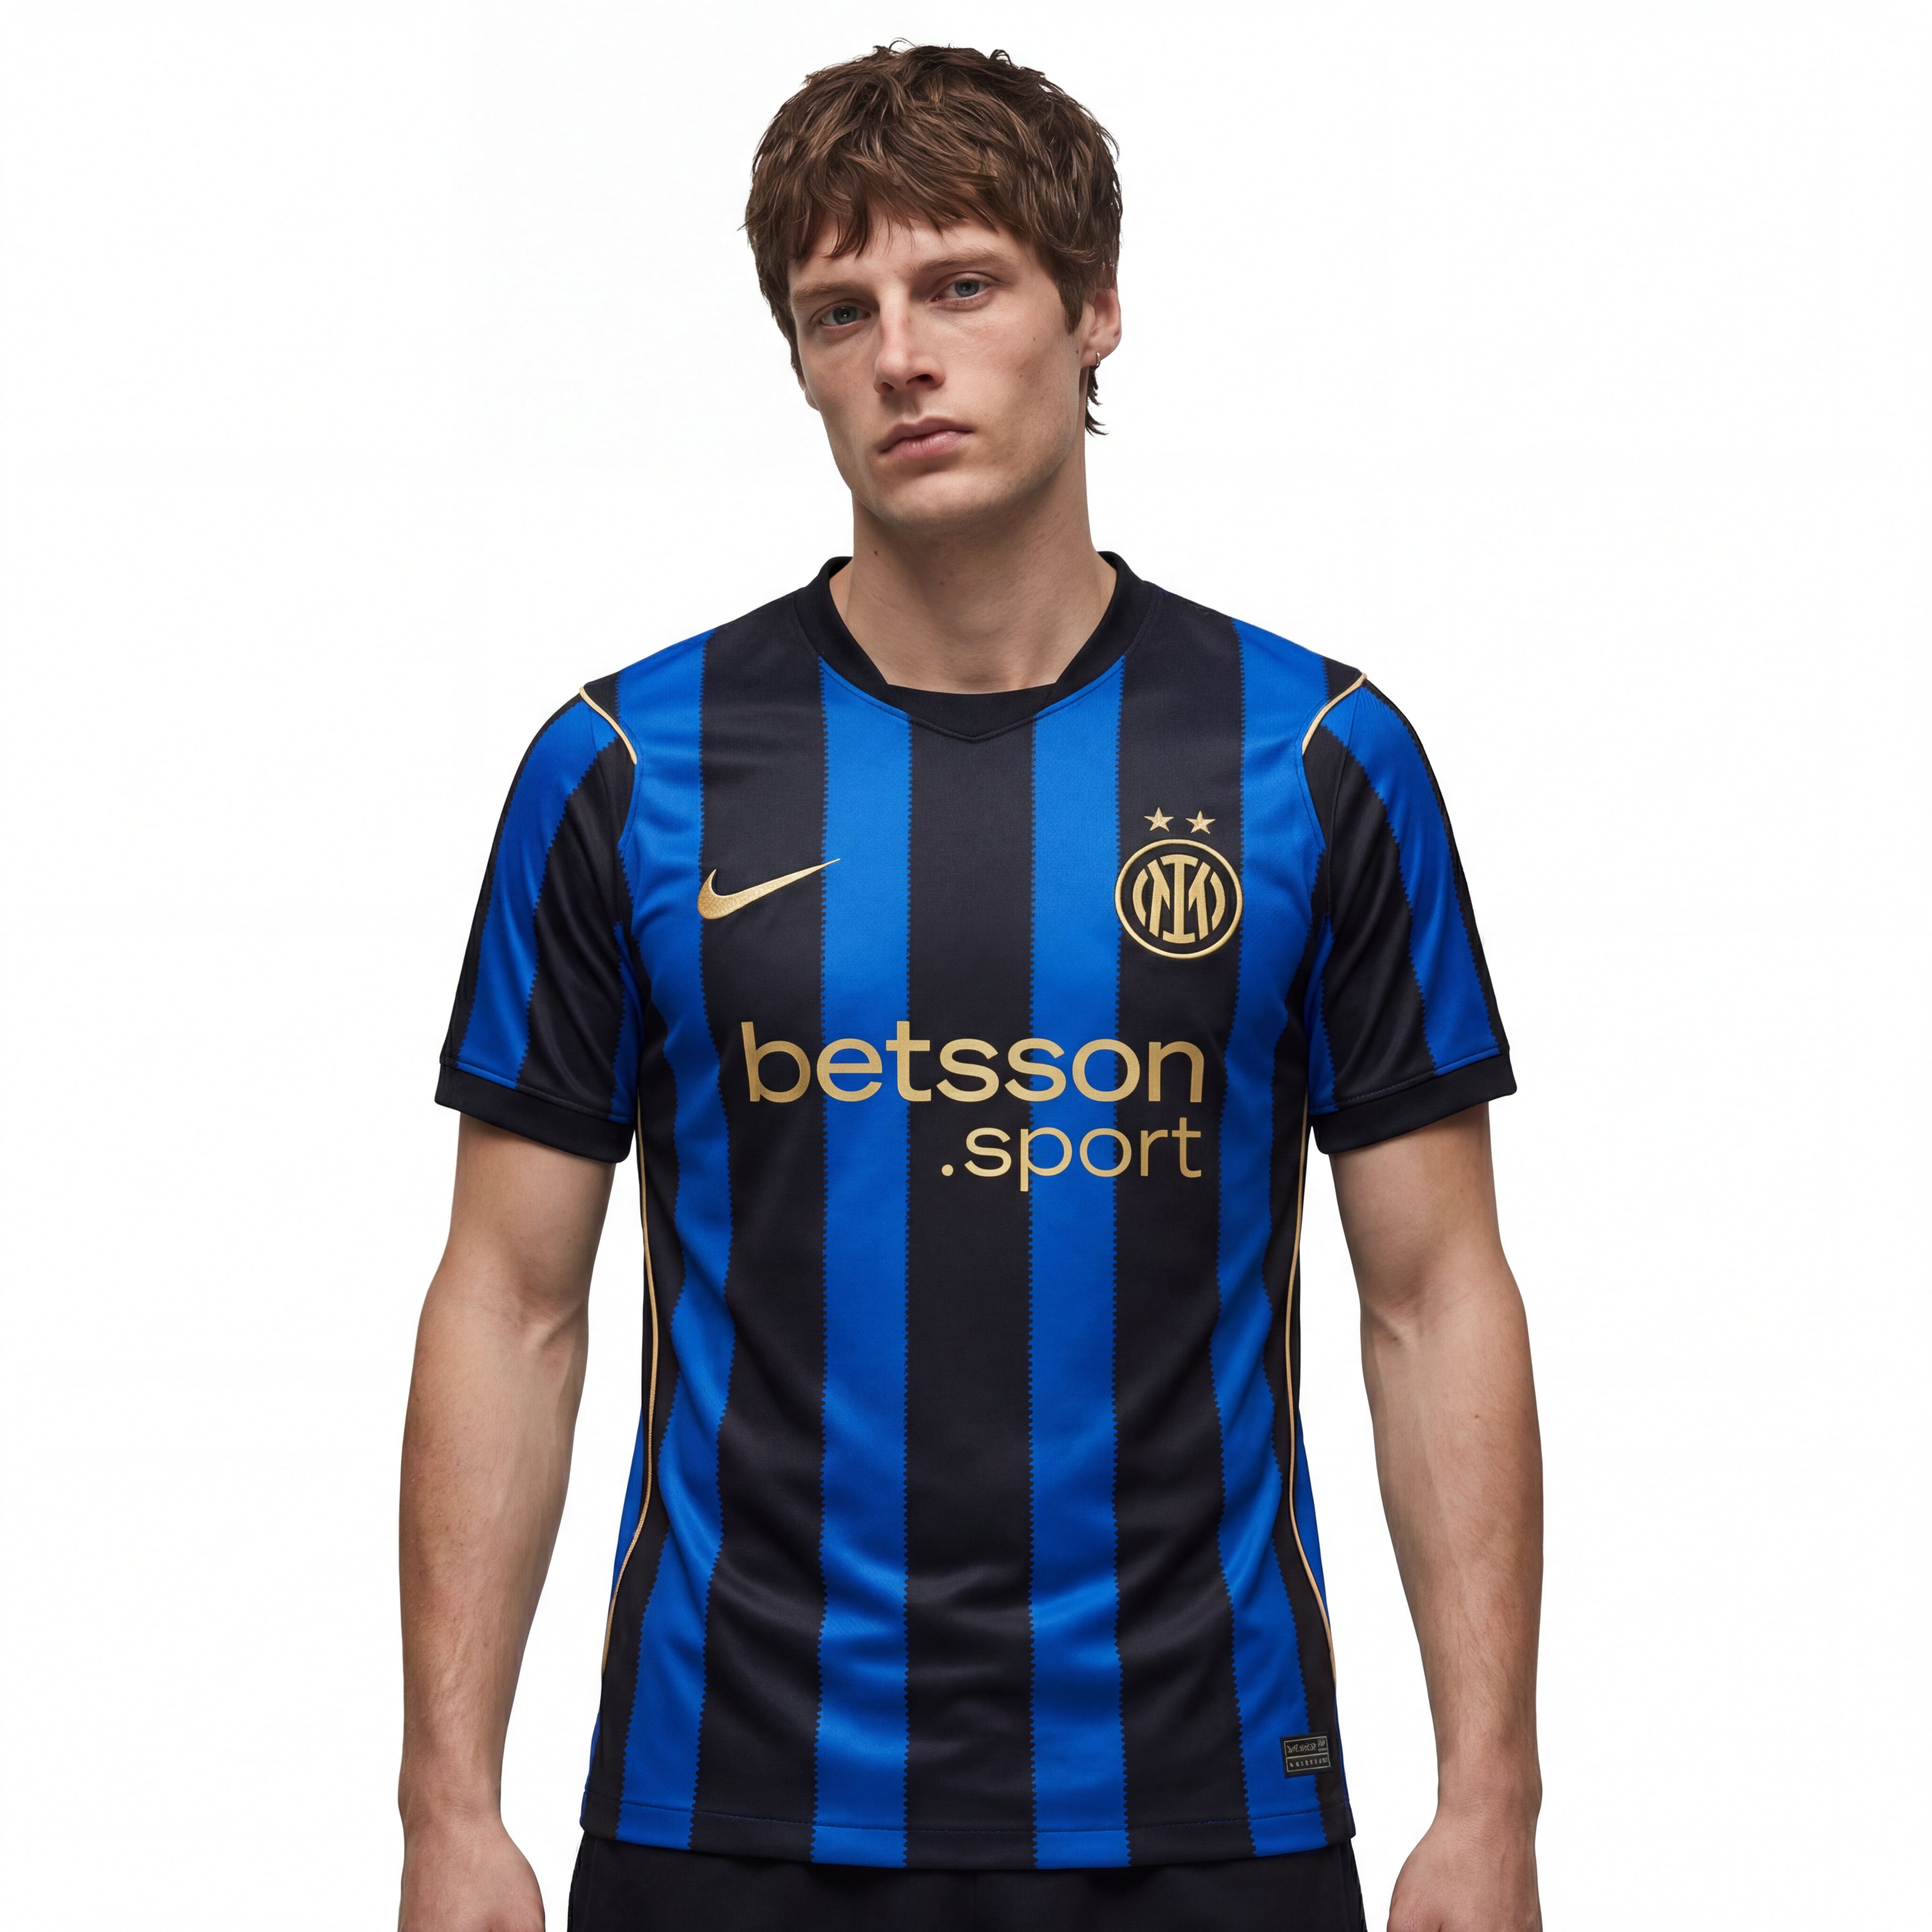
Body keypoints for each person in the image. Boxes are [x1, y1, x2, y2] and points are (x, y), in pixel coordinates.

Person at [398, 43, 1542, 1932]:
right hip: (731, 1796)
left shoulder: (1315, 758)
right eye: (838, 311)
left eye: (961, 285)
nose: (900, 358)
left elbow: (1431, 1299)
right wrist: (447, 1807)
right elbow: (511, 1303)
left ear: (1094, 310)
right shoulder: (627, 769)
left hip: (1200, 1798)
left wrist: (1489, 1800)